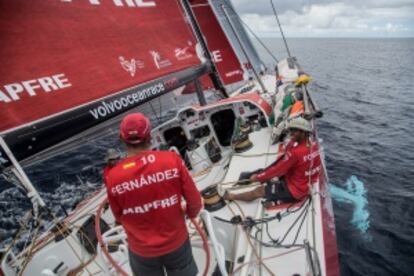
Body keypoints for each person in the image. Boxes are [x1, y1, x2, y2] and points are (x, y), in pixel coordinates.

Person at [104, 113, 202, 276]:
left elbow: (119, 216)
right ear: (149, 135)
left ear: (122, 138)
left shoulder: (113, 177)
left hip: (142, 251)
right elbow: (195, 202)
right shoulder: (172, 160)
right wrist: (189, 214)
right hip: (176, 242)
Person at [223, 117, 321, 204]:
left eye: (294, 130)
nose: (291, 133)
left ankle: (231, 196)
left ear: (303, 132)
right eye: (291, 130)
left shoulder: (296, 152)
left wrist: (257, 178)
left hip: (295, 191)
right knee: (263, 172)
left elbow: (277, 170)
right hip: (302, 182)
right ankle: (247, 181)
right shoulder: (314, 146)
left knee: (259, 191)